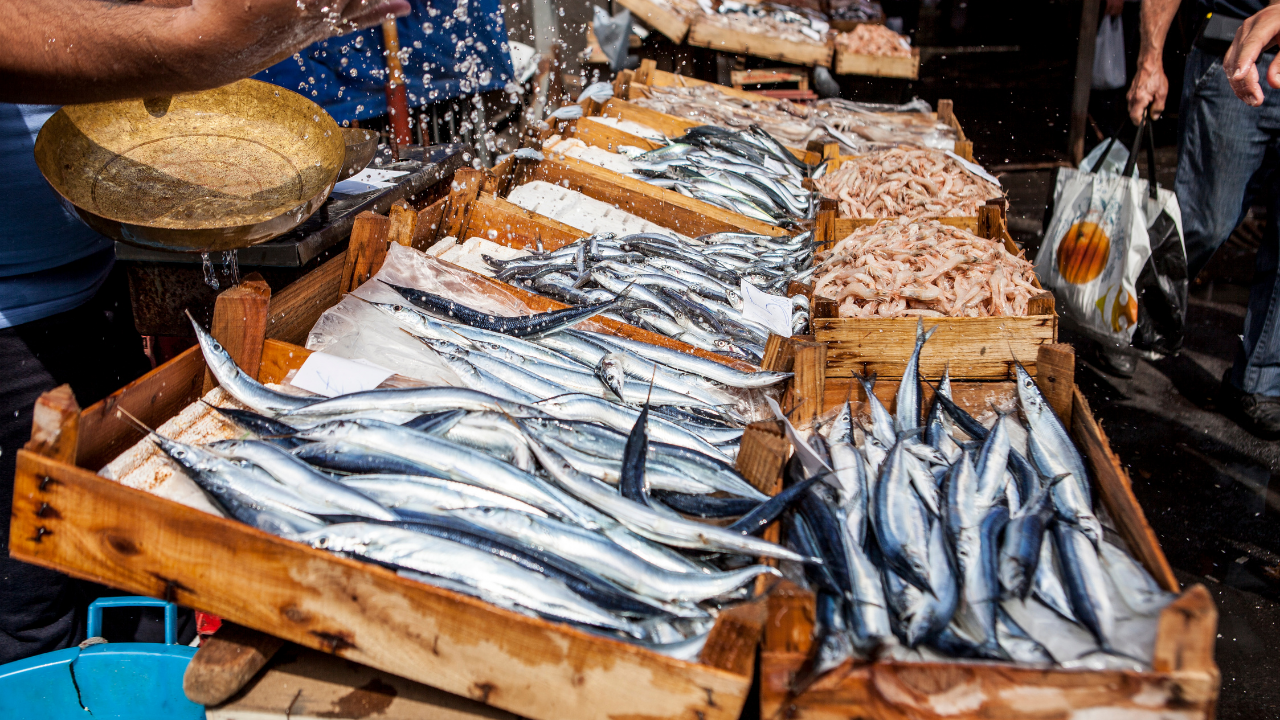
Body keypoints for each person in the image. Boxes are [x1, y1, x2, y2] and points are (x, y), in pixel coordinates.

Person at [0, 0, 410, 665]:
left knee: (133, 583)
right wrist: (186, 43)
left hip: (90, 273)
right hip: (10, 322)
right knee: (31, 624)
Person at [1128, 0, 1280, 437]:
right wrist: (1150, 58)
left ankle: (1259, 382)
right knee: (1202, 221)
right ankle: (1124, 317)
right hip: (1230, 50)